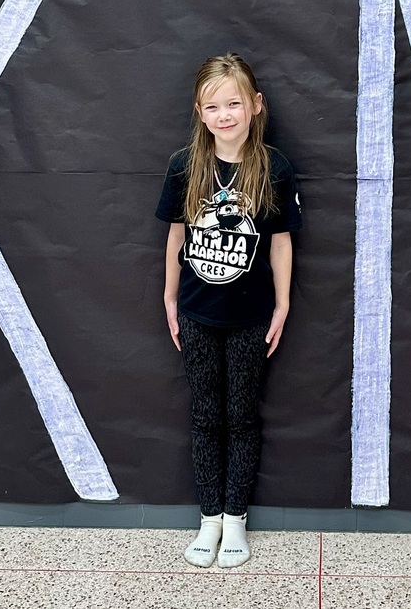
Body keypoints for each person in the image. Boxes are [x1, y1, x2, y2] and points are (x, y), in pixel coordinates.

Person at [155, 53, 302, 568]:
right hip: (197, 313)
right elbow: (175, 235)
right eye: (213, 105)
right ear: (199, 111)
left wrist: (283, 303)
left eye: (234, 103)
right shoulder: (185, 166)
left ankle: (235, 520)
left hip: (251, 316)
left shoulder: (274, 168)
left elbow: (281, 243)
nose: (225, 114)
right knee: (204, 417)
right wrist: (170, 298)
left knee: (240, 417)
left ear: (255, 106)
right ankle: (209, 518)